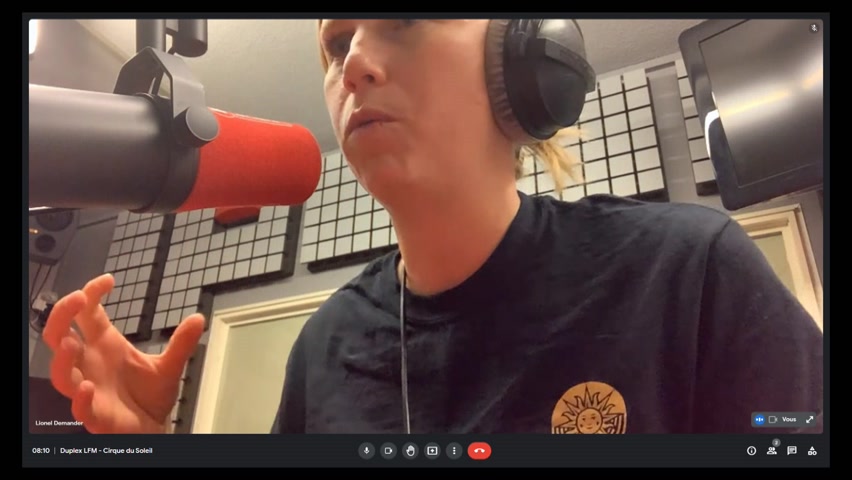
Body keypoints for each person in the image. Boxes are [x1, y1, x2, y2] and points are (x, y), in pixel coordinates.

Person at [42, 19, 823, 435]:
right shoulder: (326, 347)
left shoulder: (690, 271)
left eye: (405, 19)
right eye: (336, 43)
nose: (353, 64)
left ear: (526, 57)